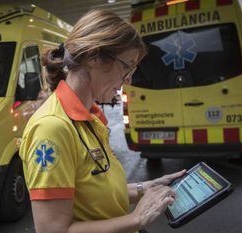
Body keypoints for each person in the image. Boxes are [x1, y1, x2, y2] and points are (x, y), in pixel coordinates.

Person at [19, 10, 186, 233]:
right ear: (94, 57)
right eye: (126, 66)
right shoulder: (52, 128)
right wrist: (136, 219)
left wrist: (144, 188)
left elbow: (94, 193)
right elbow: (52, 230)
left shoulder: (88, 117)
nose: (129, 79)